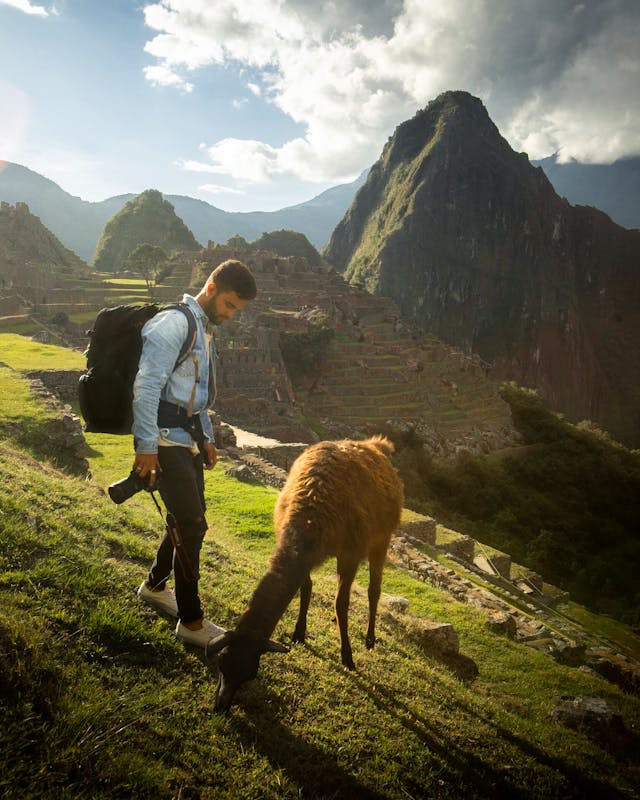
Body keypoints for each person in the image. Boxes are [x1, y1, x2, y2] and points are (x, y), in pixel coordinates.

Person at [133, 259, 257, 647]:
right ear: (211, 288)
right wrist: (146, 448)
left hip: (186, 441)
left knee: (184, 520)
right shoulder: (174, 325)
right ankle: (191, 621)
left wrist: (205, 437)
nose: (232, 315)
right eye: (230, 305)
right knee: (194, 526)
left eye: (238, 309)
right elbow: (147, 387)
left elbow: (196, 397)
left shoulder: (204, 330)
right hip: (165, 442)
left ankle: (154, 585)